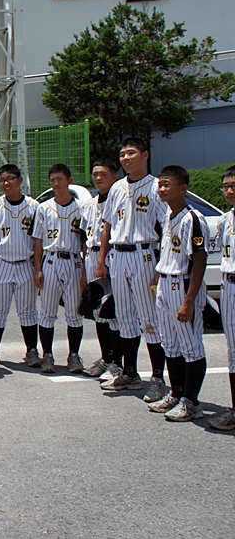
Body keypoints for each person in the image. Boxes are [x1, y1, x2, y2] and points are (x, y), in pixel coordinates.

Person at [95, 137, 169, 400]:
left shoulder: (156, 187)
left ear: (145, 155)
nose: (126, 158)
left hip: (145, 254)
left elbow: (167, 227)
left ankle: (158, 378)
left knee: (149, 319)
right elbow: (107, 225)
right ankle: (130, 372)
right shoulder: (116, 188)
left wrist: (162, 265)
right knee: (124, 318)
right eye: (123, 154)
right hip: (119, 255)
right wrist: (101, 259)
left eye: (131, 153)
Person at [146, 165, 211, 422]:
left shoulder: (192, 218)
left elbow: (199, 260)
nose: (162, 189)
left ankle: (192, 401)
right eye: (160, 184)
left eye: (167, 184)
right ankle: (177, 392)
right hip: (166, 284)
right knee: (170, 345)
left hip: (183, 286)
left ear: (183, 188)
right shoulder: (167, 217)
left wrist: (190, 301)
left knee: (191, 347)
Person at [0, 164, 39, 367]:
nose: (6, 183)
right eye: (3, 180)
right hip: (1, 262)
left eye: (10, 178)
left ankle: (31, 350)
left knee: (28, 310)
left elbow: (39, 237)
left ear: (20, 180)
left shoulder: (33, 206)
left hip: (25, 263)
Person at [32, 164, 87, 373]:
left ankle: (74, 355)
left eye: (60, 179)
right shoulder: (44, 208)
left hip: (73, 261)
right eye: (53, 180)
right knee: (47, 312)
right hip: (51, 261)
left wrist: (84, 272)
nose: (56, 183)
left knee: (74, 313)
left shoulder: (82, 208)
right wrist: (38, 268)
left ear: (69, 181)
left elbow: (84, 242)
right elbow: (38, 241)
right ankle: (47, 355)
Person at [80, 159, 121, 379]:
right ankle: (106, 358)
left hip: (114, 256)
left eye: (103, 174)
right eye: (95, 174)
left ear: (114, 176)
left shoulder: (119, 201)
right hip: (93, 256)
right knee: (98, 313)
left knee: (114, 313)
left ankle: (118, 362)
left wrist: (102, 261)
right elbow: (83, 237)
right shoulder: (89, 205)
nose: (98, 178)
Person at [209, 165, 235, 430]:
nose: (229, 190)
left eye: (233, 186)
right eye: (226, 186)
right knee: (233, 352)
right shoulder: (226, 220)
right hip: (228, 286)